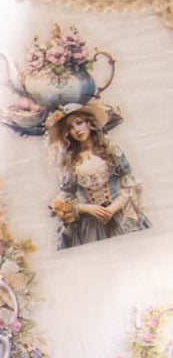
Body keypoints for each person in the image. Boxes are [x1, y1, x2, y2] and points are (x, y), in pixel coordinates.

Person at [47, 101, 149, 249]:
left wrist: (112, 209)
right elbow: (66, 198)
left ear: (89, 123)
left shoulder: (111, 149)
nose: (76, 130)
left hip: (119, 215)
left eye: (79, 123)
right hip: (89, 224)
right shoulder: (68, 162)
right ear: (67, 133)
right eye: (70, 127)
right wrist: (87, 208)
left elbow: (129, 184)